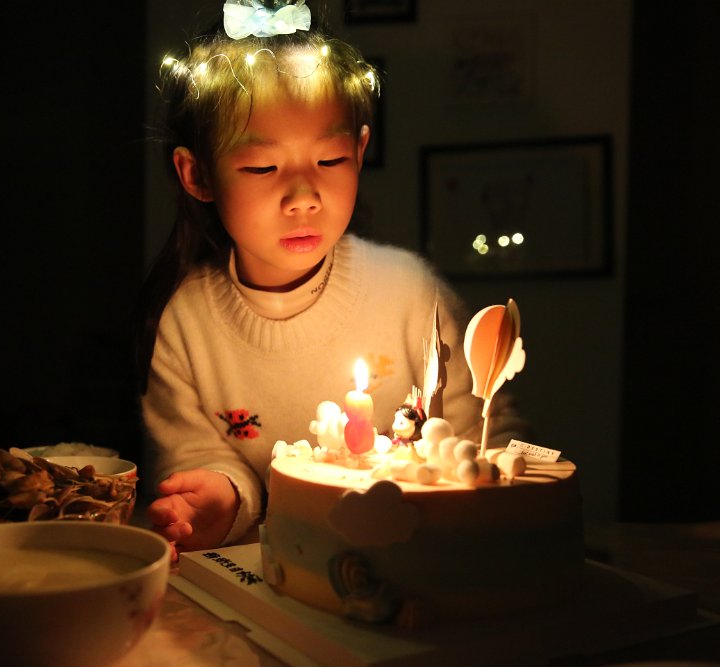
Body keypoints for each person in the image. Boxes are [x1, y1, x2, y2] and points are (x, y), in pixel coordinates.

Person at [135, 0, 527, 557]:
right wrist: (222, 496)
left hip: (418, 559)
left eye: (329, 161)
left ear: (360, 151)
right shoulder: (186, 323)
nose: (303, 196)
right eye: (262, 167)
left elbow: (483, 433)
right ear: (196, 174)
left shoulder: (408, 292)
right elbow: (198, 454)